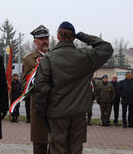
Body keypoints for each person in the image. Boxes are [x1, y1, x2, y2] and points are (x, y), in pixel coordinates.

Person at [34, 21, 113, 154]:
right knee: (76, 149)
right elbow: (106, 48)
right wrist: (82, 36)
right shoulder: (85, 56)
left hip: (57, 114)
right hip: (79, 114)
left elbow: (42, 89)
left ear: (58, 36)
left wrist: (41, 112)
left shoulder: (48, 59)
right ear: (73, 37)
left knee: (57, 149)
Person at [22, 25, 50, 154]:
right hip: (38, 107)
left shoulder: (55, 56)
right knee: (40, 143)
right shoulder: (28, 60)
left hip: (56, 106)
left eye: (46, 38)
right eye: (41, 39)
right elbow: (24, 84)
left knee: (56, 143)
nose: (45, 41)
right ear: (35, 41)